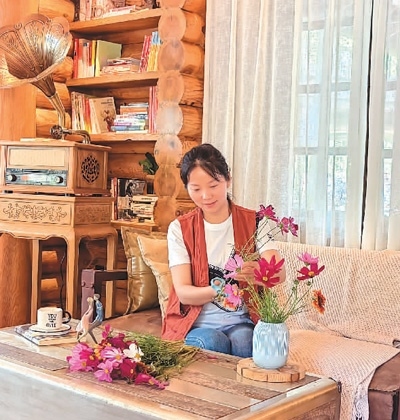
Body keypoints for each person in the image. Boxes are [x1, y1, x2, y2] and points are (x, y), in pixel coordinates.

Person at [162, 143, 285, 357]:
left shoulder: (256, 222)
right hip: (194, 324)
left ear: (228, 179)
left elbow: (280, 274)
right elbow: (184, 293)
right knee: (213, 341)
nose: (206, 196)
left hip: (241, 321)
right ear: (187, 188)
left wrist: (257, 272)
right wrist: (220, 289)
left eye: (213, 185)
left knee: (245, 341)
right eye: (196, 189)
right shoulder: (179, 228)